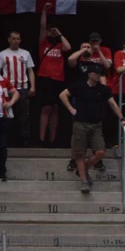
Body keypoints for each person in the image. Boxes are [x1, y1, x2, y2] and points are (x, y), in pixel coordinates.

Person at [59, 64, 125, 193]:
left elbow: (112, 104)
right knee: (80, 153)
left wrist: (122, 118)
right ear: (90, 74)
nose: (99, 76)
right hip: (80, 123)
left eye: (100, 74)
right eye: (97, 73)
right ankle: (84, 181)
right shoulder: (79, 86)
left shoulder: (103, 89)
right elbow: (63, 95)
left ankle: (83, 169)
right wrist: (71, 109)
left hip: (96, 124)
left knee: (100, 151)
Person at [37, 9, 71, 147]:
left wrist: (60, 33)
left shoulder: (59, 45)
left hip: (59, 79)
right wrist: (44, 11)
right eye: (49, 30)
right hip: (45, 78)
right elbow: (42, 27)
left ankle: (53, 140)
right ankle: (41, 139)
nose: (51, 32)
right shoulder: (43, 44)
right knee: (46, 109)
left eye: (53, 30)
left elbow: (68, 48)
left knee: (56, 109)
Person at [1, 29, 35, 147]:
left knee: (24, 116)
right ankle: (8, 141)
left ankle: (24, 142)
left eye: (18, 39)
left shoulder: (25, 53)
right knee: (7, 115)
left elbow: (30, 71)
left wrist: (33, 87)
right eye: (14, 38)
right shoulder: (2, 54)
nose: (16, 41)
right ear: (9, 40)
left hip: (23, 88)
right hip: (7, 90)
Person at [0, 75, 17, 181]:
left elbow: (16, 93)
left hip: (2, 117)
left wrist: (10, 103)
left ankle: (2, 172)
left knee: (2, 146)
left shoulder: (4, 81)